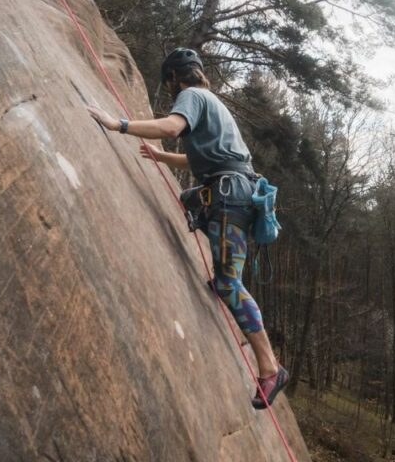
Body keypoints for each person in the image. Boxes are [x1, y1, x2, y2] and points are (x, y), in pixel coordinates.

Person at [86, 47, 289, 410]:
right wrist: (162, 157)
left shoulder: (191, 97)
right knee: (191, 198)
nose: (171, 91)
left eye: (170, 84)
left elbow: (171, 126)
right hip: (235, 191)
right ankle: (224, 271)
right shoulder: (213, 102)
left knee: (229, 282)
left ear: (175, 78)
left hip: (230, 195)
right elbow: (209, 157)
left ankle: (271, 368)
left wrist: (119, 125)